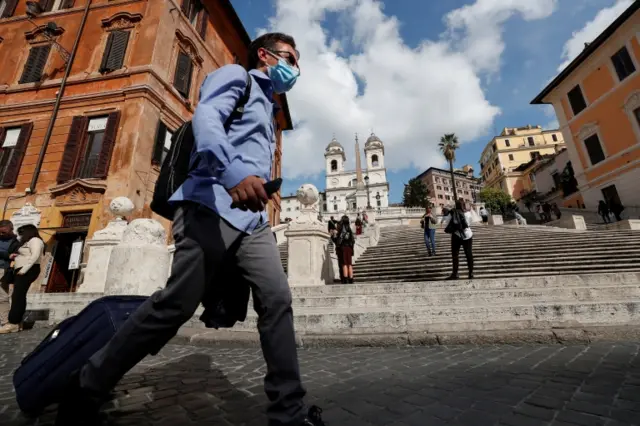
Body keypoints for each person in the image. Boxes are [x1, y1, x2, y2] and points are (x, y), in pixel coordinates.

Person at [55, 33, 325, 426]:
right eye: (289, 58)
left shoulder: (269, 108)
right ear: (264, 55)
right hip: (209, 203)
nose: (294, 69)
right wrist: (233, 173)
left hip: (251, 220)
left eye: (297, 63)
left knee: (277, 299)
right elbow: (207, 117)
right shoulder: (237, 76)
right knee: (175, 305)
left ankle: (289, 413)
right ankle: (87, 385)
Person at [0, 224, 44, 334]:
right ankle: (17, 323)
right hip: (23, 270)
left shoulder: (35, 240)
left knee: (17, 296)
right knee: (19, 295)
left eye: (22, 233)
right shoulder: (28, 242)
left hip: (28, 270)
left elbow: (35, 256)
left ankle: (13, 323)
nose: (20, 236)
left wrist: (24, 270)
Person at [445, 200, 474, 280]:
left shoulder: (451, 213)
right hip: (467, 235)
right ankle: (471, 273)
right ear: (463, 205)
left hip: (456, 235)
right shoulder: (468, 213)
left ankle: (455, 273)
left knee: (455, 255)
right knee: (469, 254)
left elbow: (447, 224)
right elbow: (469, 223)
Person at [0, 220, 20, 326]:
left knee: (2, 296)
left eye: (4, 232)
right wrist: (7, 255)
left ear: (11, 229)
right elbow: (8, 255)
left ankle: (5, 322)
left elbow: (16, 254)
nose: (1, 234)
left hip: (3, 270)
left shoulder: (16, 242)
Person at [336, 215, 356, 284]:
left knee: (344, 264)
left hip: (343, 248)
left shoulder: (342, 229)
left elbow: (339, 239)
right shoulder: (349, 229)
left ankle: (345, 279)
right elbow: (353, 240)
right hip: (349, 248)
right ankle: (351, 279)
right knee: (349, 264)